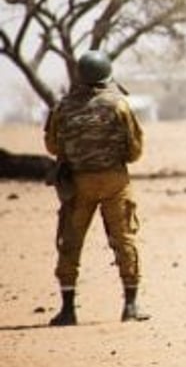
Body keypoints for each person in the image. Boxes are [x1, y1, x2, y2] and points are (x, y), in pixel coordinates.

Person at [43, 49, 148, 326]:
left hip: (78, 183)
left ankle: (67, 310)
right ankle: (130, 306)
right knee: (124, 238)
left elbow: (53, 146)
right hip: (114, 180)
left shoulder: (63, 107)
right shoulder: (119, 105)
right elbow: (135, 149)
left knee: (70, 242)